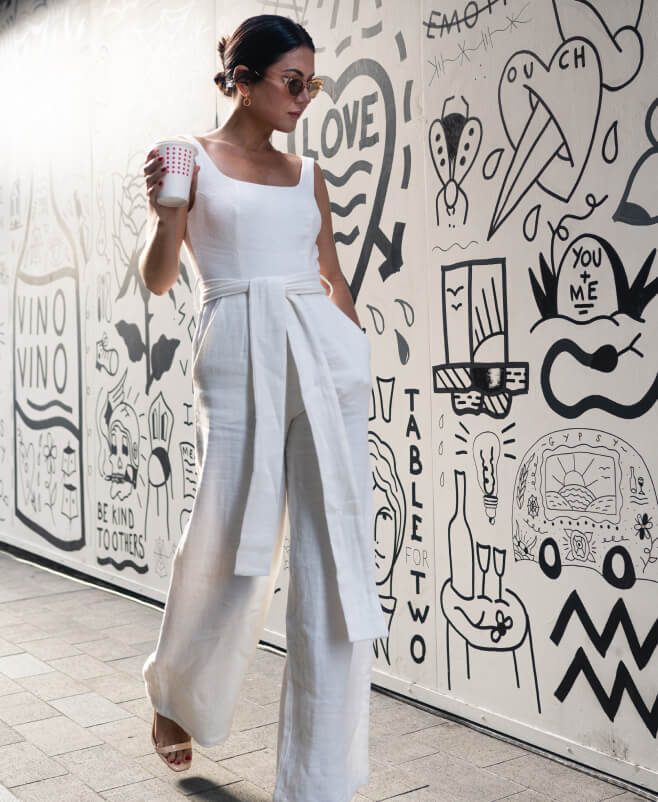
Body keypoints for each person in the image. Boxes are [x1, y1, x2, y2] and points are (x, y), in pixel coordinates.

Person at [139, 14, 387, 802]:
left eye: (313, 83)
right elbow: (158, 279)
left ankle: (318, 782)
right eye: (292, 81)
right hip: (237, 346)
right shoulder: (189, 157)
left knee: (336, 559)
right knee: (224, 539)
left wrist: (357, 355)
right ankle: (177, 695)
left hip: (325, 359)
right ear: (242, 79)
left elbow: (331, 273)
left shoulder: (308, 171)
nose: (305, 96)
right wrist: (166, 218)